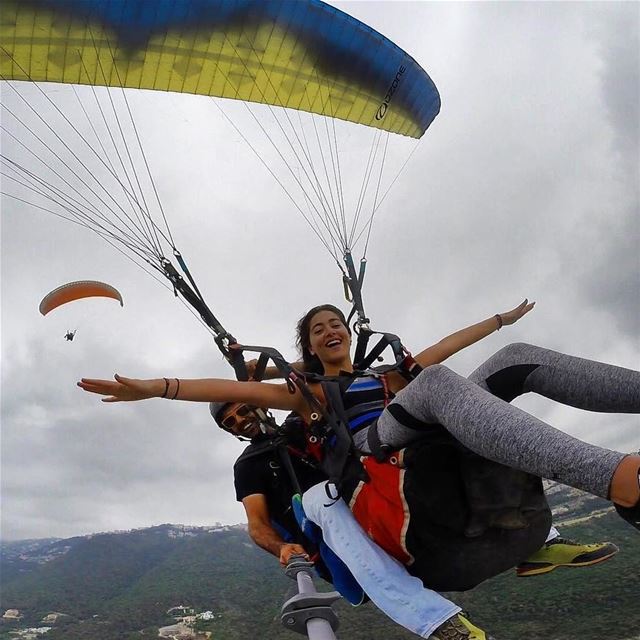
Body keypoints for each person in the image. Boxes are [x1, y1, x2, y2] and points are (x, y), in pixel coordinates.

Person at [77, 300, 639, 638]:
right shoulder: (306, 395)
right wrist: (154, 388)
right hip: (371, 446)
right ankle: (617, 477)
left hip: (416, 424)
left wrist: (499, 319)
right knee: (437, 383)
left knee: (513, 356)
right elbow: (227, 388)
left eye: (335, 322)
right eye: (317, 327)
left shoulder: (386, 375)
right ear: (308, 347)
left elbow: (444, 346)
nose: (329, 329)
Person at [214, 400, 618, 640]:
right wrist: (281, 546)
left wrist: (252, 374)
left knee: (431, 442)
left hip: (368, 499)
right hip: (325, 528)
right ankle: (439, 623)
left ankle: (540, 540)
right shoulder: (249, 464)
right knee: (323, 495)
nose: (240, 420)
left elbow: (305, 381)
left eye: (241, 408)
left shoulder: (301, 426)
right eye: (230, 421)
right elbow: (257, 523)